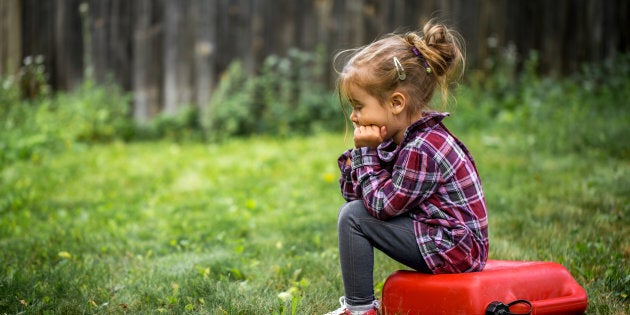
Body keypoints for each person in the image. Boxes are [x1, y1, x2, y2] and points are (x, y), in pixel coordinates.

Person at [325, 20, 489, 315]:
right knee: (353, 213)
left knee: (353, 219)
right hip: (443, 238)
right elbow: (356, 195)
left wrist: (365, 155)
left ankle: (360, 310)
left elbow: (381, 207)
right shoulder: (400, 137)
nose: (353, 116)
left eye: (359, 106)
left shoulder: (422, 148)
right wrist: (363, 157)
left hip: (457, 248)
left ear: (397, 103)